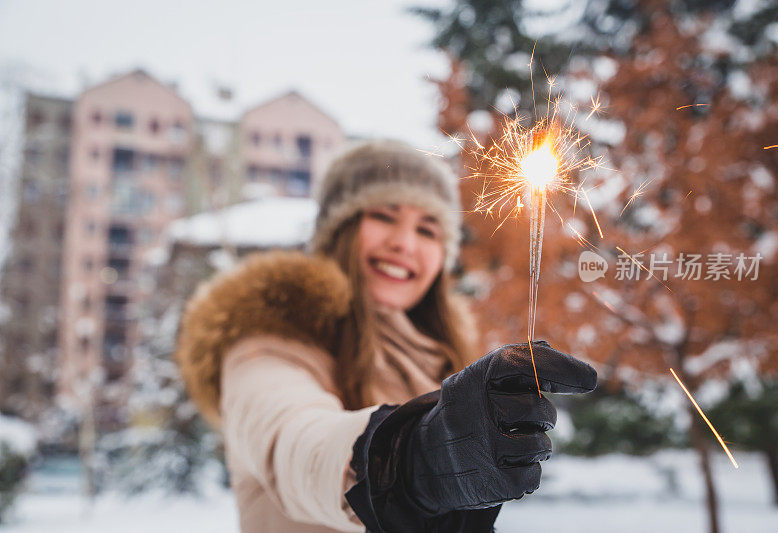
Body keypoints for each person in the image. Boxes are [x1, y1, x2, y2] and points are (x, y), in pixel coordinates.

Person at [175, 139, 597, 533]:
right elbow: (297, 446)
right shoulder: (266, 343)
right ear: (336, 231)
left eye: (428, 230)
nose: (404, 243)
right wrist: (404, 459)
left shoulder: (439, 362)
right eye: (383, 216)